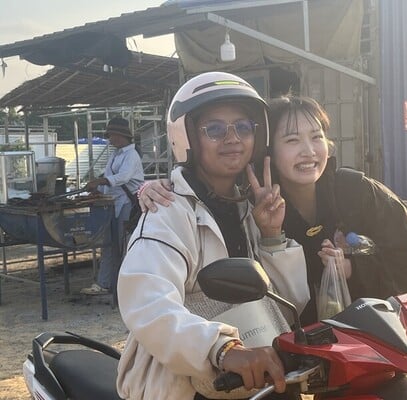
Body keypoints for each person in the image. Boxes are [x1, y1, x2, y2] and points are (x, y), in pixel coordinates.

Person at [139, 94, 407, 327]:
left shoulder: (357, 191)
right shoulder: (252, 207)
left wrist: (352, 268)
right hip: (300, 350)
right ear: (267, 150)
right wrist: (156, 187)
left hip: (376, 336)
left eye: (317, 137)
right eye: (292, 140)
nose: (309, 151)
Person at [116, 72, 309, 400]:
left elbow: (286, 309)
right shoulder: (167, 210)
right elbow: (147, 302)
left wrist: (271, 235)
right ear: (187, 137)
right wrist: (222, 348)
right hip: (184, 384)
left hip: (253, 373)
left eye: (243, 127)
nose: (233, 138)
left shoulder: (247, 207)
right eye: (215, 129)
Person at [80, 117, 144, 295]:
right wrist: (98, 190)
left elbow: (123, 177)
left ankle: (126, 285)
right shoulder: (116, 155)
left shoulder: (131, 155)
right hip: (114, 204)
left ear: (122, 136)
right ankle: (105, 283)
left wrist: (100, 181)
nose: (110, 139)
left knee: (124, 246)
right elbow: (109, 178)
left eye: (113, 135)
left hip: (127, 205)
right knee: (109, 245)